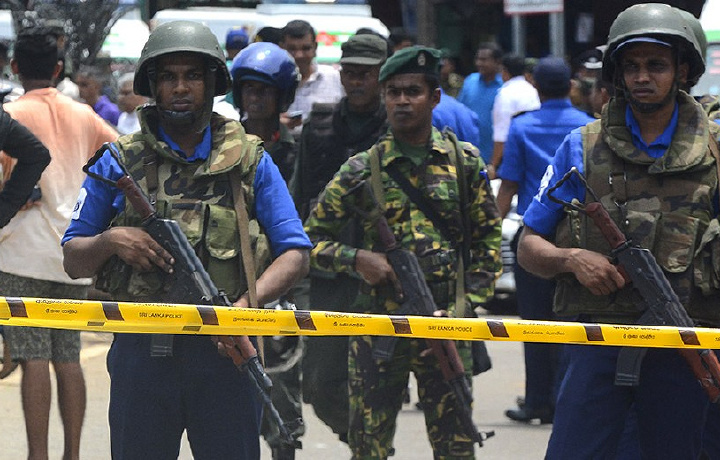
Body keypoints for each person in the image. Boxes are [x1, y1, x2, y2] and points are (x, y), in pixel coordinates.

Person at [61, 20, 310, 460]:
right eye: (168, 77)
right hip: (141, 355)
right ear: (151, 86)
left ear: (213, 83)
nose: (181, 87)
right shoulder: (119, 161)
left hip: (226, 353)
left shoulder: (249, 160)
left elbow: (294, 252)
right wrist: (113, 240)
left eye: (193, 75)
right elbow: (74, 259)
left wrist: (244, 310)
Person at [516, 4, 717, 458]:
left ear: (683, 70)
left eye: (657, 64)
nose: (642, 76)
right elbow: (529, 246)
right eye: (632, 65)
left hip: (686, 346)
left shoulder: (715, 151)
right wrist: (571, 259)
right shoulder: (582, 147)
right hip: (597, 344)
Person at [304, 45, 502, 459]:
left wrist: (463, 310)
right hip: (379, 325)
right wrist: (359, 260)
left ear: (433, 98)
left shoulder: (464, 164)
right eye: (393, 92)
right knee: (368, 448)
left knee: (456, 446)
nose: (401, 101)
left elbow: (486, 245)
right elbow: (309, 241)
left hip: (445, 325)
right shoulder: (361, 169)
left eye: (412, 91)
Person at [0, 29, 117, 460]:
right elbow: (120, 157)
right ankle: (72, 454)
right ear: (57, 68)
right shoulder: (84, 114)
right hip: (73, 251)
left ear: (15, 67)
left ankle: (37, 456)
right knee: (67, 354)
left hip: (19, 251)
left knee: (32, 355)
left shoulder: (9, 114)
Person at [291, 32, 389, 446]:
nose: (357, 82)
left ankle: (372, 448)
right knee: (317, 383)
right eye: (350, 72)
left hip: (386, 278)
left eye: (366, 74)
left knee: (380, 386)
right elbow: (298, 202)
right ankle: (364, 443)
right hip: (331, 271)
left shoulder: (400, 126)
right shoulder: (320, 125)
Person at [495, 56, 594, 425]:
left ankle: (537, 401)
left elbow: (509, 184)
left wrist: (491, 234)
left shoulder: (522, 128)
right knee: (572, 321)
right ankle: (567, 399)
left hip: (534, 236)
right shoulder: (589, 127)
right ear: (571, 85)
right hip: (580, 236)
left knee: (534, 323)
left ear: (534, 85)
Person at [230, 41, 305, 459]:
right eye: (248, 89)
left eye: (264, 90)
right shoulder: (224, 149)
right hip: (234, 282)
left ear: (281, 96)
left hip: (282, 282)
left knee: (280, 397)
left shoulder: (299, 151)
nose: (255, 98)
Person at [279, 20, 344, 137]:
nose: (299, 55)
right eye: (292, 49)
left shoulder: (335, 78)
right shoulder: (271, 83)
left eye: (306, 48)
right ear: (281, 48)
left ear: (315, 48)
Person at [488, 53, 540, 179]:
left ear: (504, 71)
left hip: (514, 158)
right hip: (536, 155)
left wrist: (493, 166)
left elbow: (501, 134)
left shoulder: (506, 94)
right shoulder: (533, 90)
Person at [457, 42, 503, 164]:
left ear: (497, 62)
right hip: (469, 154)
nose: (479, 63)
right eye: (477, 59)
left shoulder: (504, 87)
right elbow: (460, 111)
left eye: (484, 60)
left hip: (497, 156)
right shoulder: (470, 81)